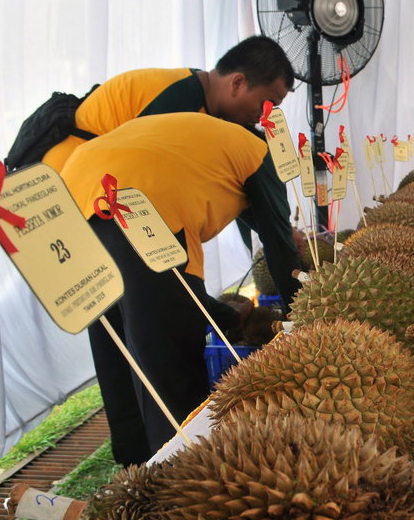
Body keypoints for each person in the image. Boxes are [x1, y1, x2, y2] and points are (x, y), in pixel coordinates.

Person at [60, 112, 301, 467]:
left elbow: (257, 224)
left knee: (116, 345)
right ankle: (183, 472)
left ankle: (135, 464)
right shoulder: (258, 153)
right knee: (167, 358)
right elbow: (279, 243)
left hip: (74, 200)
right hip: (140, 209)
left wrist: (223, 313)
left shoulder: (205, 139)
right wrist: (301, 314)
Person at [42, 35, 293, 172]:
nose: (264, 116)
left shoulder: (199, 92)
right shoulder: (180, 99)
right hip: (63, 180)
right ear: (237, 83)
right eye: (266, 103)